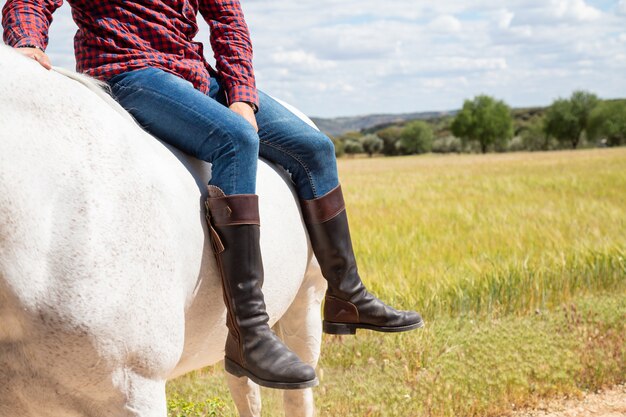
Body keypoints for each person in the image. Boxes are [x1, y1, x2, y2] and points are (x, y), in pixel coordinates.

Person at [2, 0, 423, 390]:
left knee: (315, 148)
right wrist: (26, 43)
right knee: (235, 139)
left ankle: (347, 294)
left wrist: (240, 94)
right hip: (127, 74)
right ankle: (250, 333)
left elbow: (227, 18)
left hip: (195, 75)